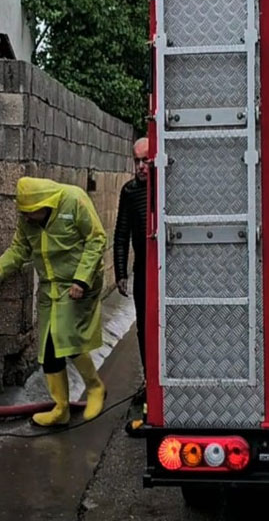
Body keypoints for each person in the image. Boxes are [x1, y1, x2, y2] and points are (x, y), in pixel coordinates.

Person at [0, 177, 109, 427]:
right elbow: (20, 249)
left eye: (30, 213)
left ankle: (95, 388)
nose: (26, 218)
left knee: (69, 338)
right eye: (23, 213)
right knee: (48, 348)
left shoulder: (74, 199)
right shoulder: (28, 219)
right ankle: (61, 409)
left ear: (45, 204)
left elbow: (96, 239)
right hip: (51, 288)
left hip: (80, 282)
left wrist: (82, 280)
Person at [114, 138, 150, 392]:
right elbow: (121, 233)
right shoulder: (130, 191)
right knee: (143, 326)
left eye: (145, 160)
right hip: (143, 270)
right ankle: (149, 379)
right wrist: (120, 271)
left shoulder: (167, 186)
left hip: (168, 271)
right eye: (136, 161)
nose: (140, 166)